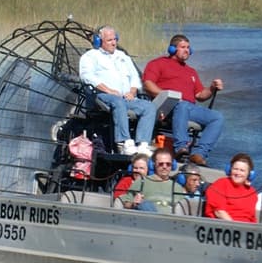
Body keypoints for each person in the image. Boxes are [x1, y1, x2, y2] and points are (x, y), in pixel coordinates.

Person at [143, 34, 224, 166]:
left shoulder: (191, 72)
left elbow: (200, 95)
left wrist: (212, 88)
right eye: (183, 47)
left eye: (188, 48)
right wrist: (169, 95)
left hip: (188, 108)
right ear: (172, 49)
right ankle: (181, 147)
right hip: (168, 107)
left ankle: (199, 154)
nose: (187, 50)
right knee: (182, 105)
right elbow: (148, 84)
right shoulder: (158, 64)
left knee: (217, 117)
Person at [79, 25, 157, 155]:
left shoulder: (123, 56)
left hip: (126, 97)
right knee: (118, 102)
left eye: (115, 39)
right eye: (109, 40)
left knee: (148, 107)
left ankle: (143, 144)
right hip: (102, 96)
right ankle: (124, 142)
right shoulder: (90, 56)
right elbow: (87, 77)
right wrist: (108, 90)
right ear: (99, 41)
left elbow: (134, 77)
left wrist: (132, 92)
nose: (114, 43)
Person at [119, 147, 179, 213]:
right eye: (161, 164)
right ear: (152, 164)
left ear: (172, 165)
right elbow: (126, 203)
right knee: (145, 204)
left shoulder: (177, 187)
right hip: (147, 219)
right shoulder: (141, 182)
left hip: (171, 221)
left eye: (168, 164)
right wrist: (133, 203)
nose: (164, 167)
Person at [204, 152, 258, 223]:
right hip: (223, 227)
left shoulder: (252, 193)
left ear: (249, 174)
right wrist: (237, 228)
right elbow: (219, 212)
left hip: (246, 230)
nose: (238, 173)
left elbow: (252, 219)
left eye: (242, 170)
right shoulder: (220, 184)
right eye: (235, 169)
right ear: (229, 169)